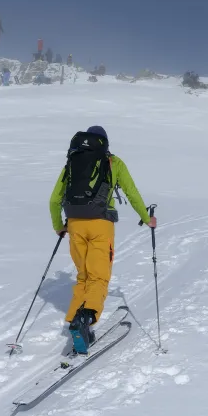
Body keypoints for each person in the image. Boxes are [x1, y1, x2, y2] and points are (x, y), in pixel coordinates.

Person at [49, 125, 155, 353]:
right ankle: (86, 319)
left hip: (75, 223)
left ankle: (76, 320)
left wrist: (59, 227)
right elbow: (132, 193)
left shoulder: (72, 162)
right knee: (99, 277)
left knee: (83, 277)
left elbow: (54, 200)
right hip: (101, 225)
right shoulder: (113, 162)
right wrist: (147, 219)